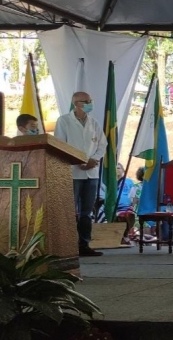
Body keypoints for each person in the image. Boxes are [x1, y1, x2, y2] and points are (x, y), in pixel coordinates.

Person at [54, 91, 107, 257]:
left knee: (87, 212)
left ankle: (84, 244)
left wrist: (94, 159)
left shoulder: (94, 123)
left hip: (92, 172)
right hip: (72, 172)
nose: (90, 103)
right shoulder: (64, 121)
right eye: (87, 101)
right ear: (76, 103)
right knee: (69, 210)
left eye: (90, 100)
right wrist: (78, 161)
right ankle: (67, 245)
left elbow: (102, 144)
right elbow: (60, 145)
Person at [114, 163, 136, 246]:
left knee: (129, 216)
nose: (117, 170)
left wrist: (132, 206)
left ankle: (125, 235)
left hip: (127, 207)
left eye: (119, 168)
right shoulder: (111, 182)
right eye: (115, 168)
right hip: (115, 208)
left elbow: (134, 195)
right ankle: (121, 236)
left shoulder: (129, 181)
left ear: (123, 170)